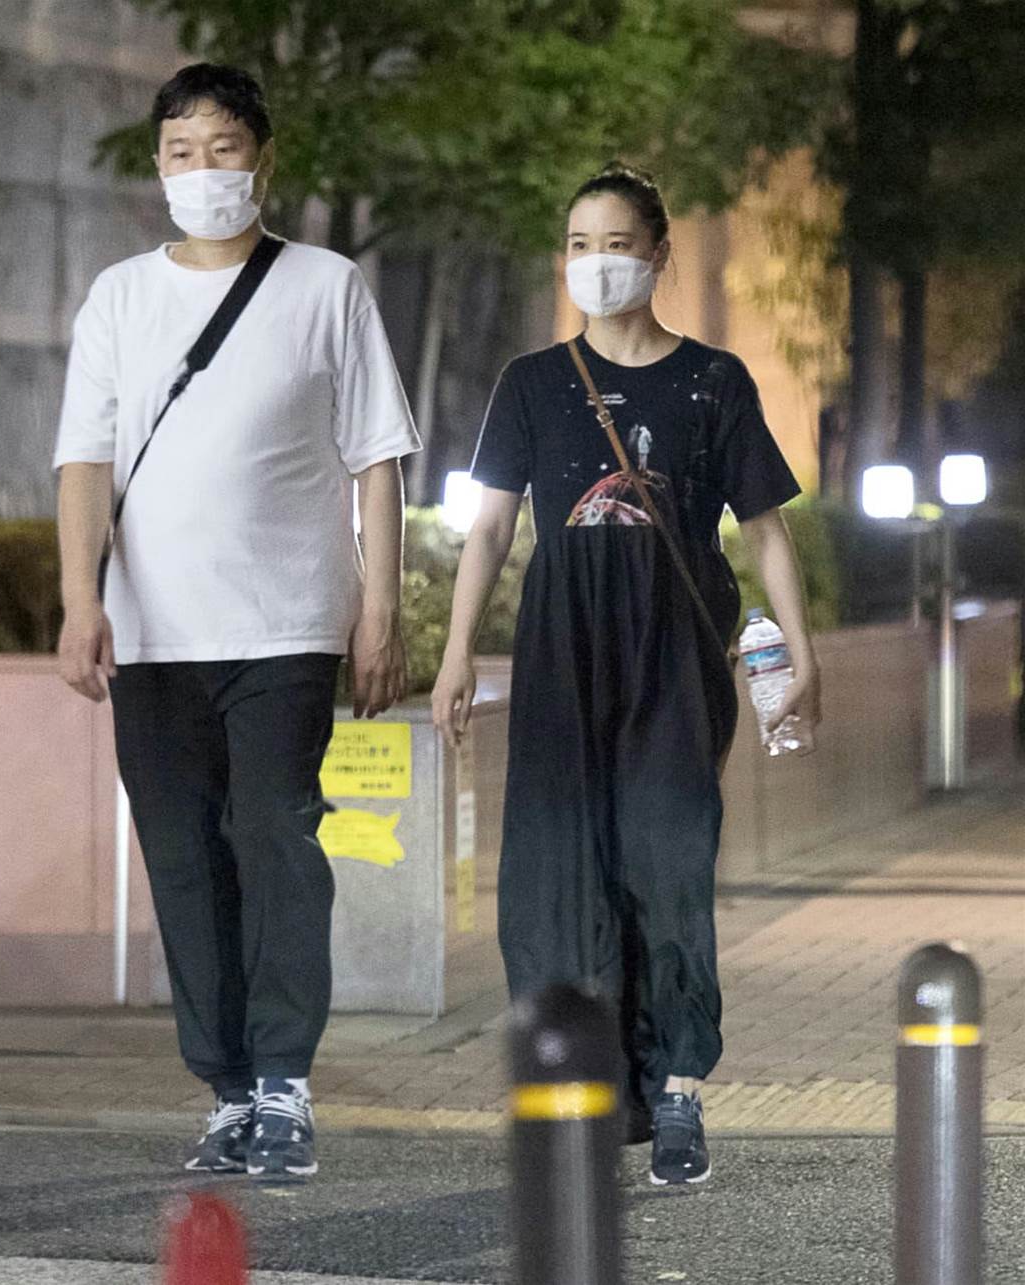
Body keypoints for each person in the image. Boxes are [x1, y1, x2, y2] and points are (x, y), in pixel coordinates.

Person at [54, 63, 420, 1181]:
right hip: (154, 634)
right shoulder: (120, 296)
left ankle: (285, 1082)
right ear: (158, 165)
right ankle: (225, 1089)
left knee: (276, 838)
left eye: (222, 148)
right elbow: (84, 460)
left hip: (287, 624)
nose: (201, 170)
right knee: (182, 857)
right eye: (181, 151)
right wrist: (79, 599)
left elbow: (377, 458)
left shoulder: (325, 286)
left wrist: (380, 608)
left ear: (262, 158)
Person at [432, 164, 821, 1186]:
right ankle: (587, 1086)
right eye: (578, 245)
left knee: (670, 863)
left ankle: (679, 1088)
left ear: (658, 254)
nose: (595, 263)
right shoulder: (531, 383)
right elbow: (489, 530)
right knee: (558, 874)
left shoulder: (713, 382)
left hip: (672, 657)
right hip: (561, 655)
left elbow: (765, 529)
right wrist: (457, 649)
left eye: (615, 244)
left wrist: (800, 647)